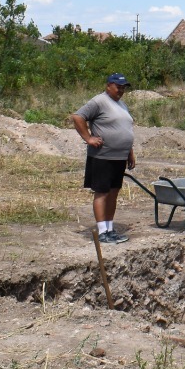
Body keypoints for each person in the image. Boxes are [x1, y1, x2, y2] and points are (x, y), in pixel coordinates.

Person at [72, 73, 136, 245]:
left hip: (119, 157)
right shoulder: (99, 101)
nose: (121, 90)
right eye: (118, 87)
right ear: (108, 86)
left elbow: (125, 128)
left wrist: (129, 152)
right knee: (102, 192)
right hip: (103, 156)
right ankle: (102, 232)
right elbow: (77, 117)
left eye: (123, 87)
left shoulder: (122, 105)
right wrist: (89, 138)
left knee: (113, 193)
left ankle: (109, 229)